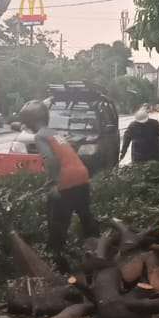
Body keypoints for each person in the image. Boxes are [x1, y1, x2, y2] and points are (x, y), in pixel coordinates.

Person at [18, 100, 98, 268]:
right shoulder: (54, 133)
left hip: (66, 180)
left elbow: (51, 159)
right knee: (86, 216)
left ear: (32, 120)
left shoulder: (40, 135)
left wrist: (54, 183)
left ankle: (57, 262)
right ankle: (97, 250)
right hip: (82, 176)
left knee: (57, 223)